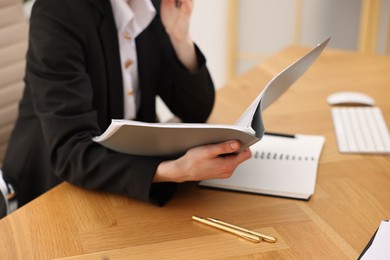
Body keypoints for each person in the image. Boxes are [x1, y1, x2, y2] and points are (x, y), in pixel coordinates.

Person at [2, 0, 251, 207]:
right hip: (56, 187)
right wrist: (173, 170)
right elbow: (71, 150)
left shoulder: (150, 6)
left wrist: (179, 36)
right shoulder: (58, 12)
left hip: (125, 173)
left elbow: (196, 109)